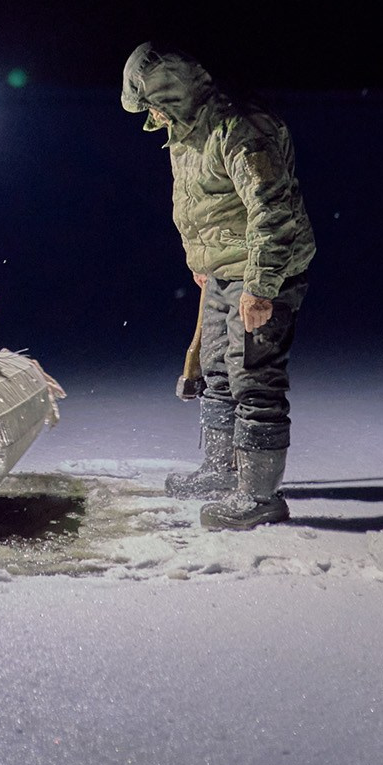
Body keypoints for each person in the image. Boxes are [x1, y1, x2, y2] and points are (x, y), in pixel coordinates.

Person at [121, 41, 316, 529]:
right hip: (223, 272)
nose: (152, 119)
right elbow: (204, 205)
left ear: (169, 96)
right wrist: (201, 259)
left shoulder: (239, 129)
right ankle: (220, 470)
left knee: (255, 379)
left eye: (152, 107)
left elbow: (275, 210)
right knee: (217, 371)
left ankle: (258, 495)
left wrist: (262, 286)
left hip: (263, 272)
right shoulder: (186, 132)